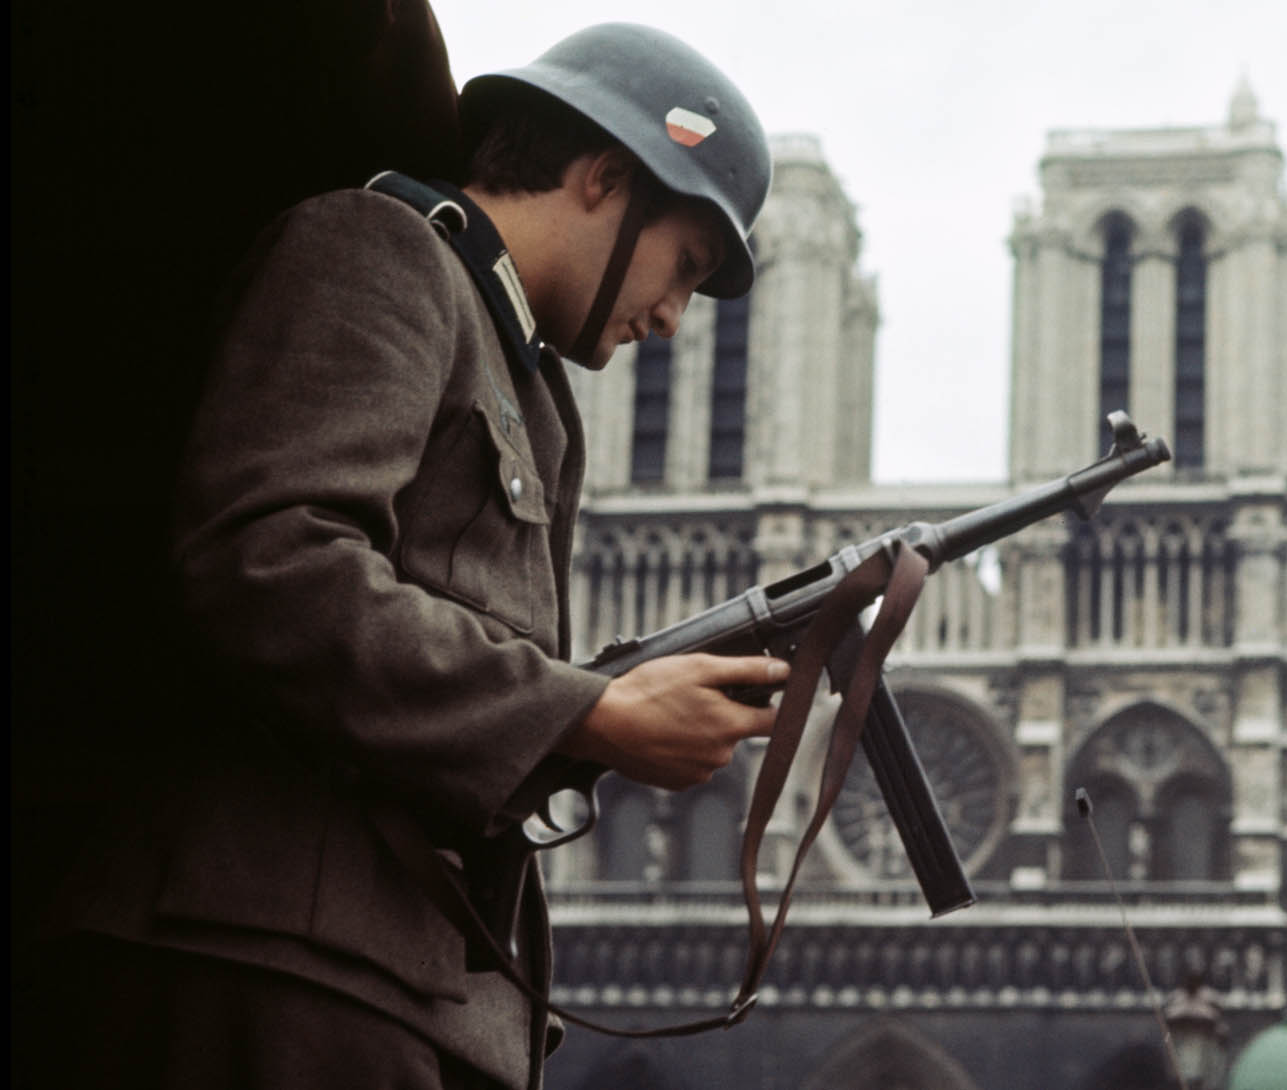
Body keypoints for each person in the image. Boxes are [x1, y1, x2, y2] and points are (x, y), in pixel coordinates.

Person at [37, 23, 783, 1090]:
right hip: (270, 967)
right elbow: (271, 560)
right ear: (605, 176)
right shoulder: (381, 249)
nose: (670, 317)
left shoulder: (527, 383)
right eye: (684, 266)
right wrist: (587, 712)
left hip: (390, 989)